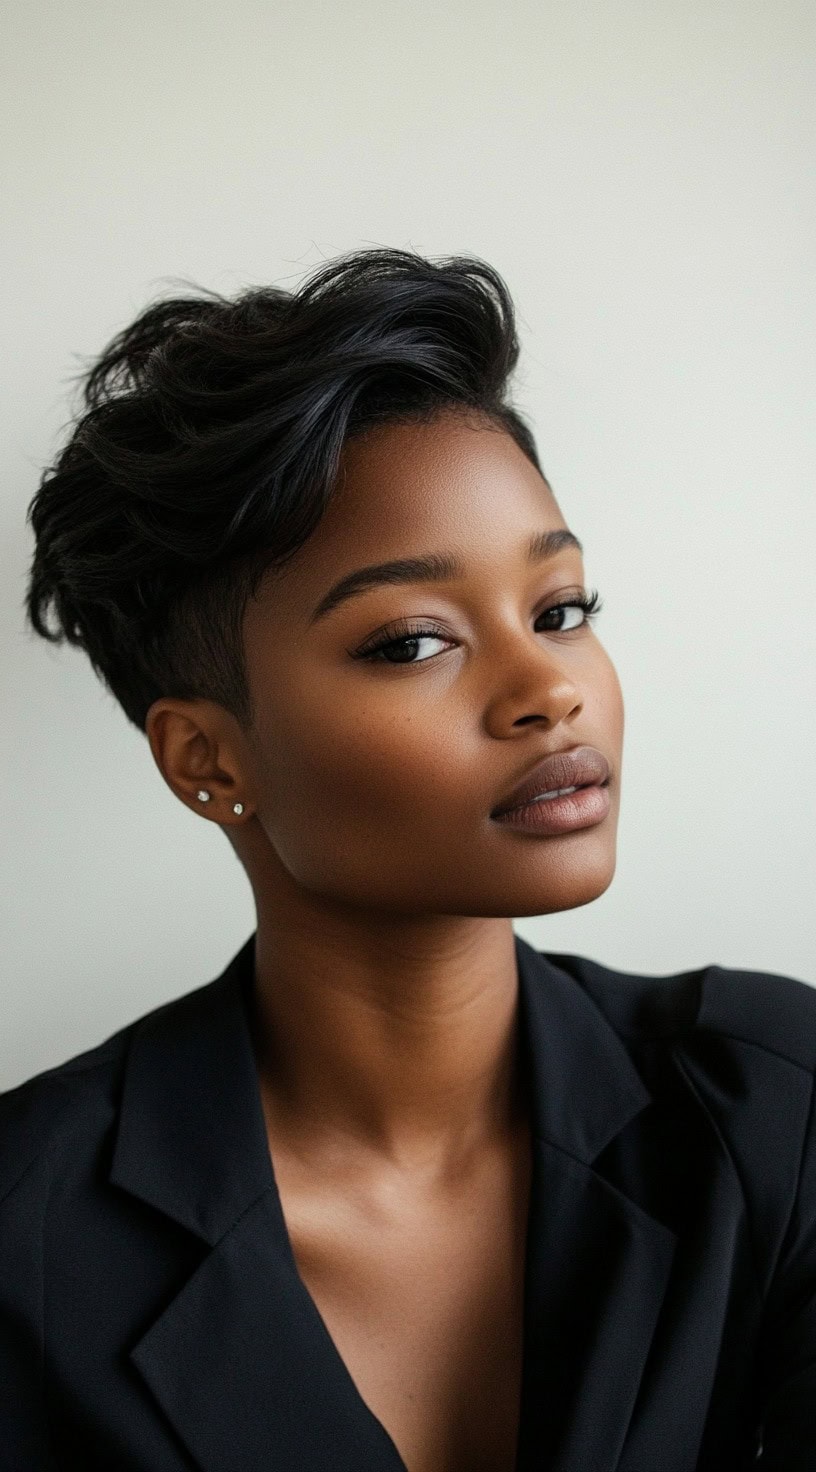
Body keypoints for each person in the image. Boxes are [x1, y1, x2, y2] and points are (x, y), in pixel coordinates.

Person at [1, 249, 813, 1472]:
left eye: (562, 608)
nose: (550, 688)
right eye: (413, 640)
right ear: (208, 758)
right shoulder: (28, 1232)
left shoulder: (772, 1111)